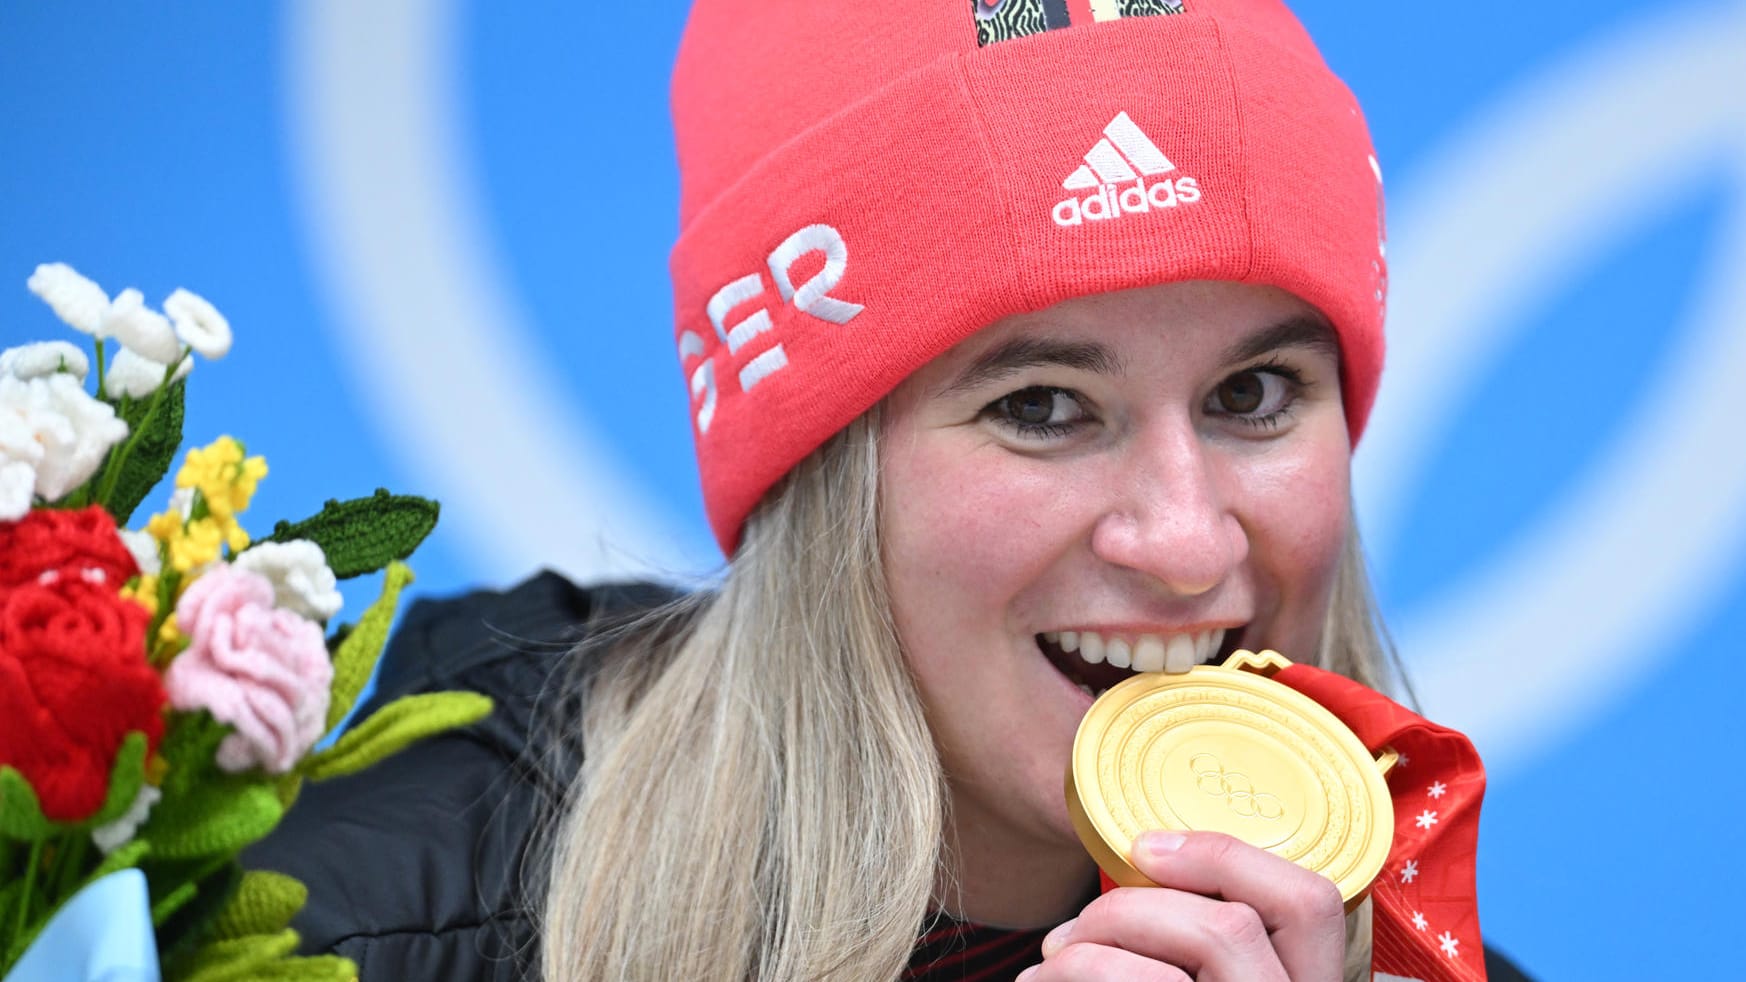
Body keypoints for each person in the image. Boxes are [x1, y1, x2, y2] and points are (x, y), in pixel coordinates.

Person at [251, 1, 1532, 979]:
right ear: (820, 471)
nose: (1187, 545)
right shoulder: (384, 926)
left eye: (1251, 396)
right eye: (1042, 407)